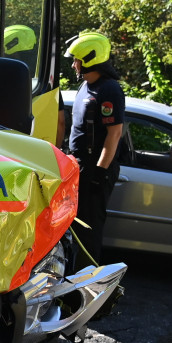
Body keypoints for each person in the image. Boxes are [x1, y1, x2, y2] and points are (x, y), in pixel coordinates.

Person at [64, 31, 124, 268]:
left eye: (76, 59)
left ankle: (87, 286)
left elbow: (114, 133)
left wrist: (100, 171)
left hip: (95, 171)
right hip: (78, 167)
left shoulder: (109, 90)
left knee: (89, 232)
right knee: (74, 229)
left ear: (90, 59)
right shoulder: (86, 87)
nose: (73, 64)